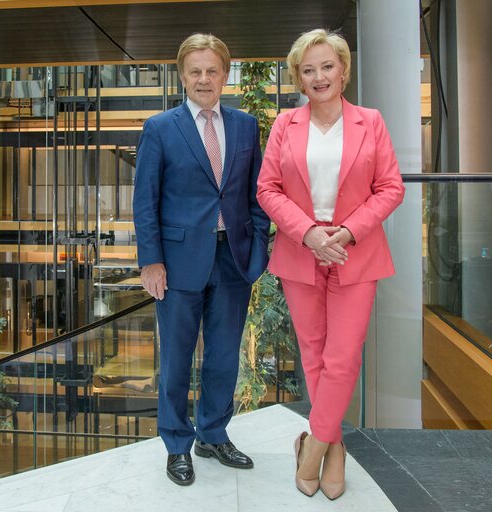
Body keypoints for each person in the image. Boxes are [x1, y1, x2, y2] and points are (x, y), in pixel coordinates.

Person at [256, 29, 405, 500]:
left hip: (354, 251)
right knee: (314, 354)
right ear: (299, 77)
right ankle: (336, 446)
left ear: (343, 70)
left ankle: (315, 445)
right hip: (301, 251)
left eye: (327, 66)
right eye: (308, 69)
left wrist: (346, 231)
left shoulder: (370, 121)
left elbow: (391, 187)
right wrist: (309, 233)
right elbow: (267, 190)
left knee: (343, 357)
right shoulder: (285, 125)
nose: (319, 76)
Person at [133, 33, 270, 486]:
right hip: (175, 264)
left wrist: (259, 246)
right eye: (195, 71)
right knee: (175, 359)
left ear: (225, 75)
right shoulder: (160, 128)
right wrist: (150, 262)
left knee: (224, 356)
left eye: (212, 70)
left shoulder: (247, 125)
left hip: (233, 259)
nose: (204, 79)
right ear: (182, 75)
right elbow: (145, 202)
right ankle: (176, 443)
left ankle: (213, 434)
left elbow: (256, 194)